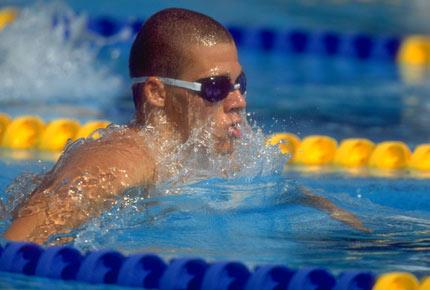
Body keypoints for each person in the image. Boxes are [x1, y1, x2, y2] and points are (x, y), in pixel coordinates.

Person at [4, 8, 368, 244]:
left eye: (240, 83)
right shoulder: (118, 164)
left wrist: (360, 235)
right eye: (215, 88)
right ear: (157, 92)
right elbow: (17, 249)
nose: (238, 100)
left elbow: (279, 191)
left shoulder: (215, 154)